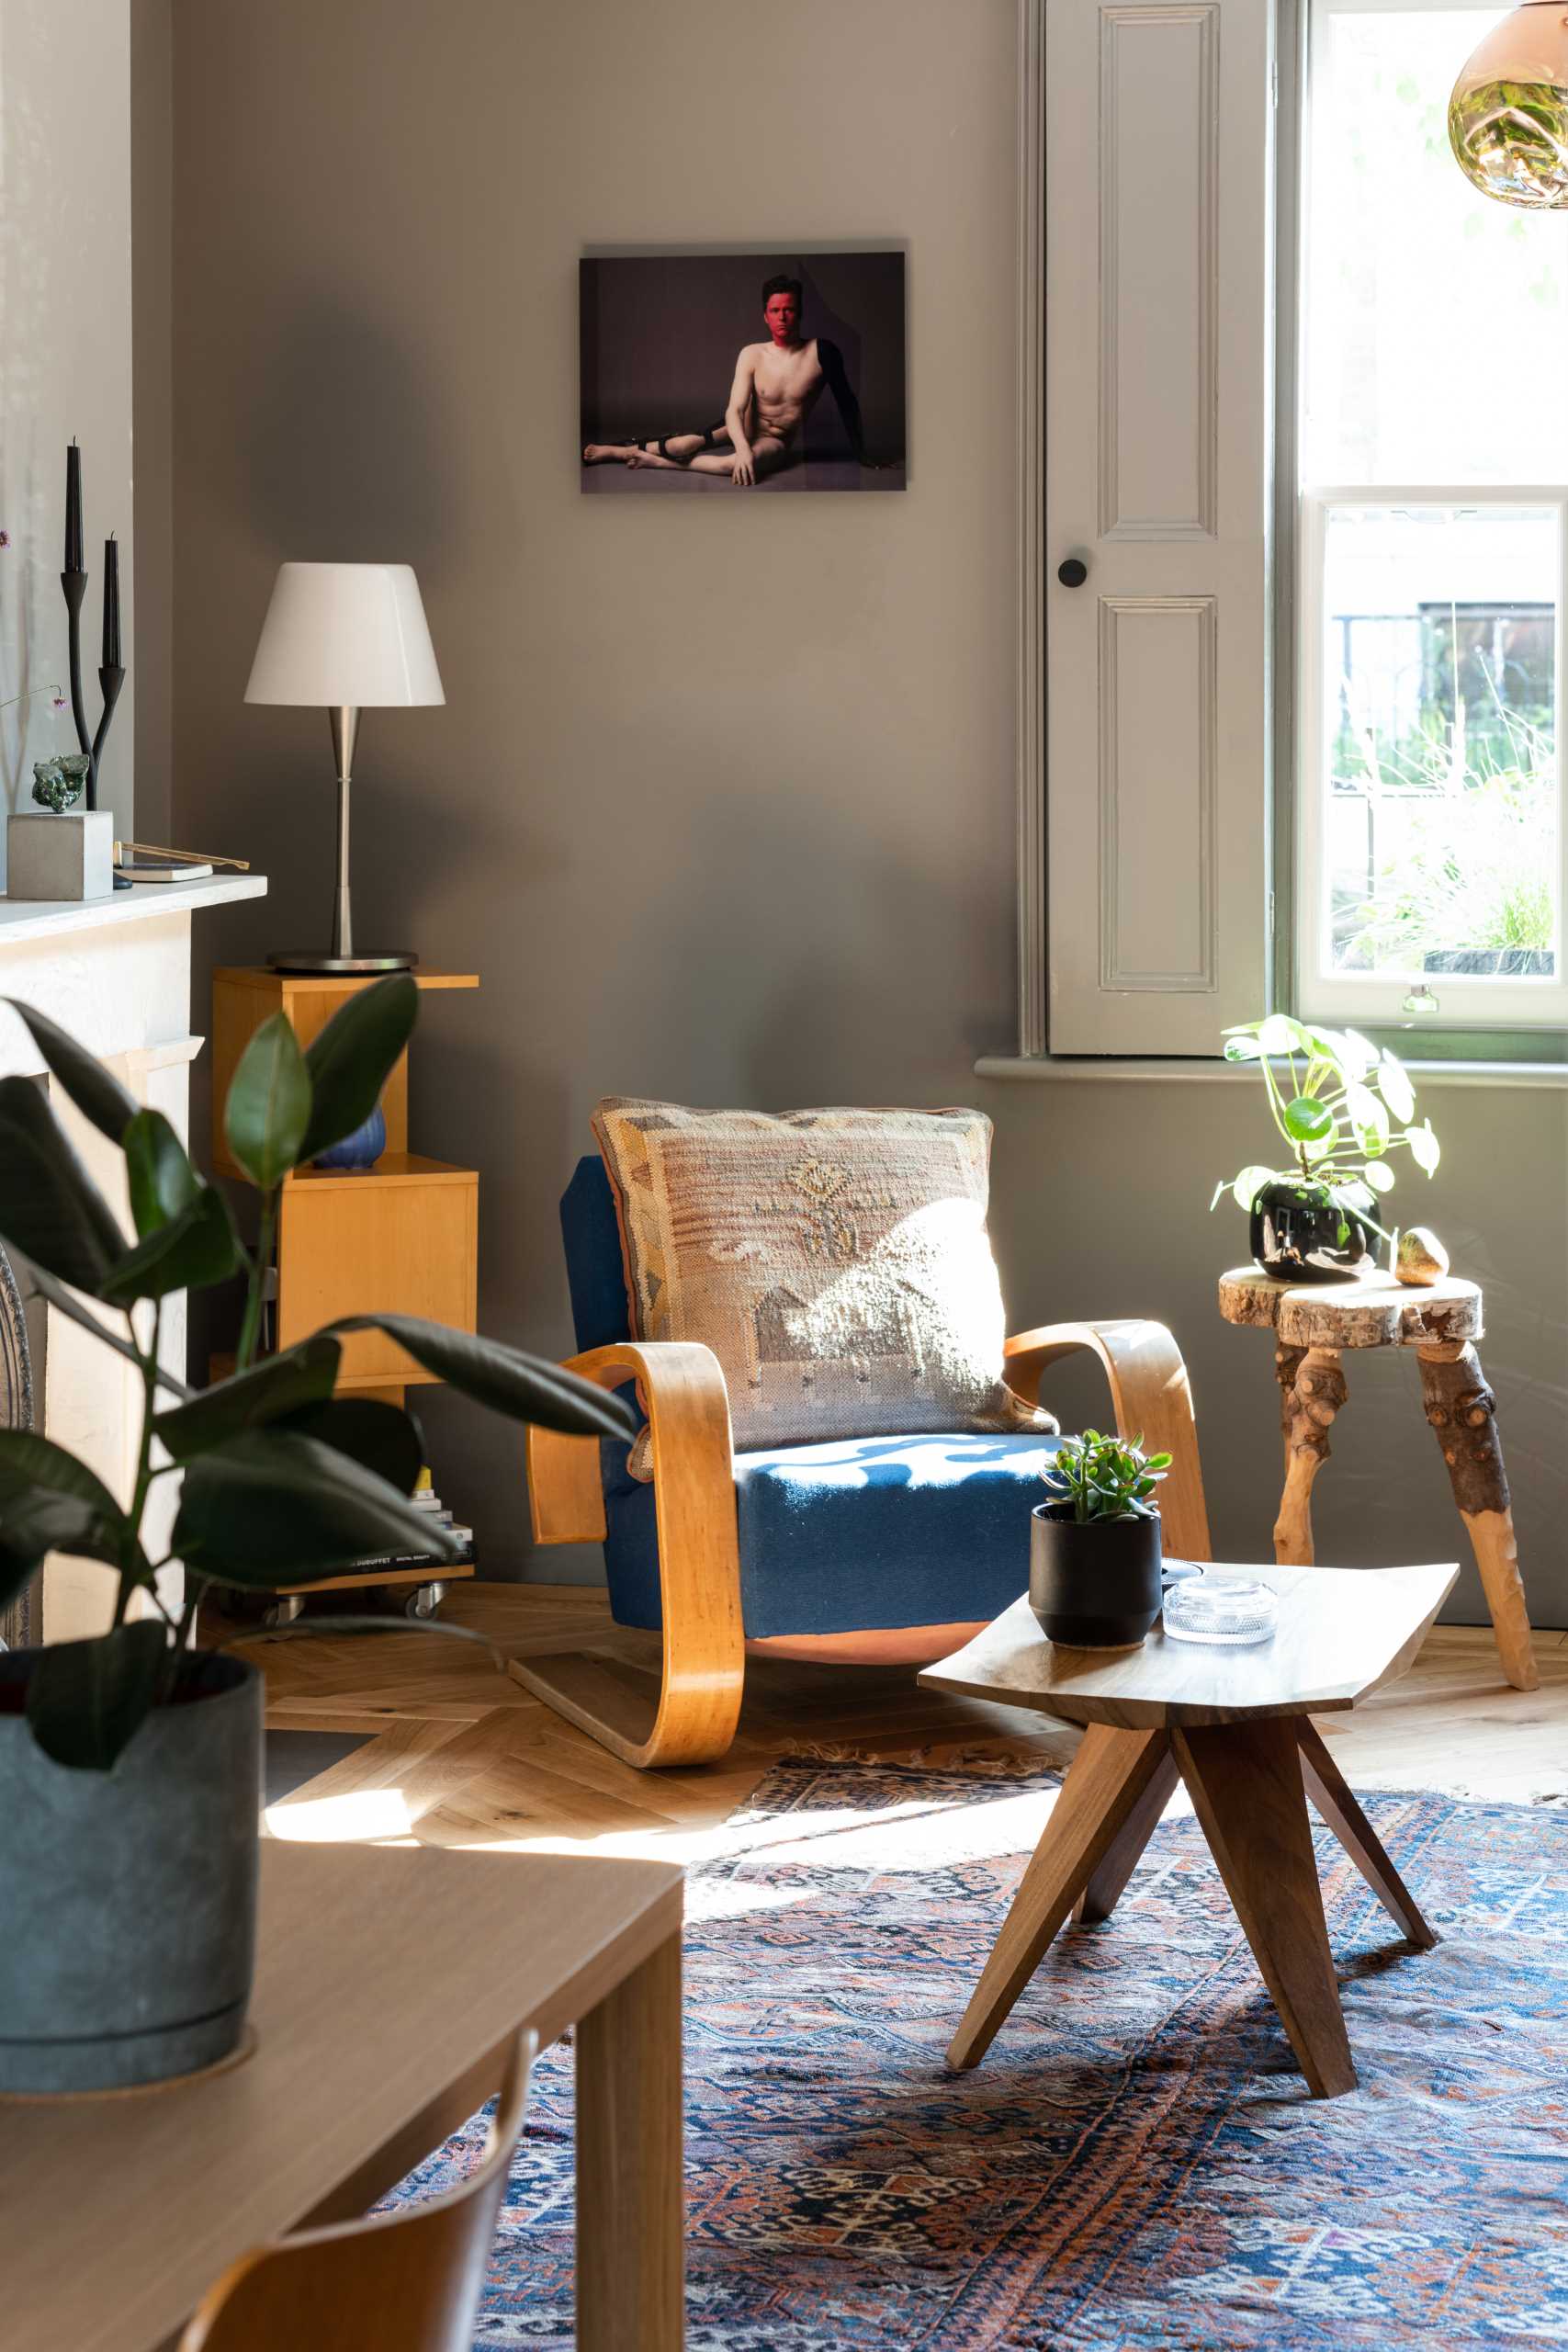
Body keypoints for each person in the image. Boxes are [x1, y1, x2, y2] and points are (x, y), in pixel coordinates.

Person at [583, 274, 865, 487]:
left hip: (776, 438)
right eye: (775, 311)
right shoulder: (752, 353)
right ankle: (619, 449)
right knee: (682, 446)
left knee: (739, 466)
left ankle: (653, 461)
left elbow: (847, 403)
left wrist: (863, 454)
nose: (783, 317)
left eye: (789, 310)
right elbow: (735, 409)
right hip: (741, 426)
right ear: (765, 316)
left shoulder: (822, 353)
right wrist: (742, 445)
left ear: (800, 312)